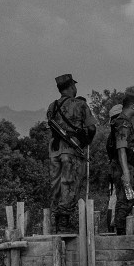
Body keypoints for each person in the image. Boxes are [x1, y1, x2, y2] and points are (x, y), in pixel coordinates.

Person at [46, 73, 95, 232]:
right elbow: (92, 127)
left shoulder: (51, 106)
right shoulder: (80, 105)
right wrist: (85, 141)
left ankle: (56, 221)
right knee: (70, 183)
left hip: (54, 150)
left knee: (56, 184)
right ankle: (64, 223)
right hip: (71, 149)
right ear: (71, 87)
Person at [107, 93, 134, 234]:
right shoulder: (124, 123)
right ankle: (120, 233)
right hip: (122, 167)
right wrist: (126, 172)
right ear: (133, 106)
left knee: (125, 199)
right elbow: (121, 148)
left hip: (122, 166)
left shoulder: (122, 121)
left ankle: (120, 231)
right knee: (125, 200)